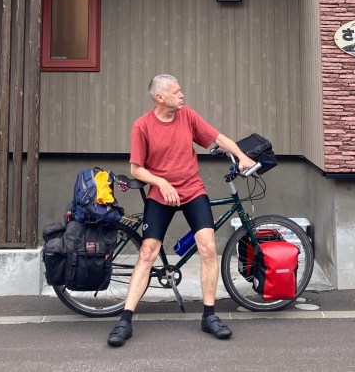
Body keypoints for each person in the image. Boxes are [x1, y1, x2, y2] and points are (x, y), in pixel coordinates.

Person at [107, 74, 255, 347]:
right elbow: (136, 169)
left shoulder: (187, 116)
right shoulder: (142, 126)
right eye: (176, 92)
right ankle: (124, 320)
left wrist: (242, 156)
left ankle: (209, 316)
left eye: (180, 90)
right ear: (159, 97)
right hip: (160, 194)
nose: (182, 95)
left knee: (208, 247)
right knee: (147, 252)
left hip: (192, 189)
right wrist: (162, 182)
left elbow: (218, 137)